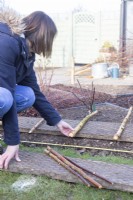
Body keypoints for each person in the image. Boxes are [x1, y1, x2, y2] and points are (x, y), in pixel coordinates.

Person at [0, 7, 74, 169]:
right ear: (43, 37)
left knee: (28, 95)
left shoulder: (26, 53)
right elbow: (8, 92)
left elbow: (36, 93)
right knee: (5, 97)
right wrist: (13, 142)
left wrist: (57, 121)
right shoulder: (5, 43)